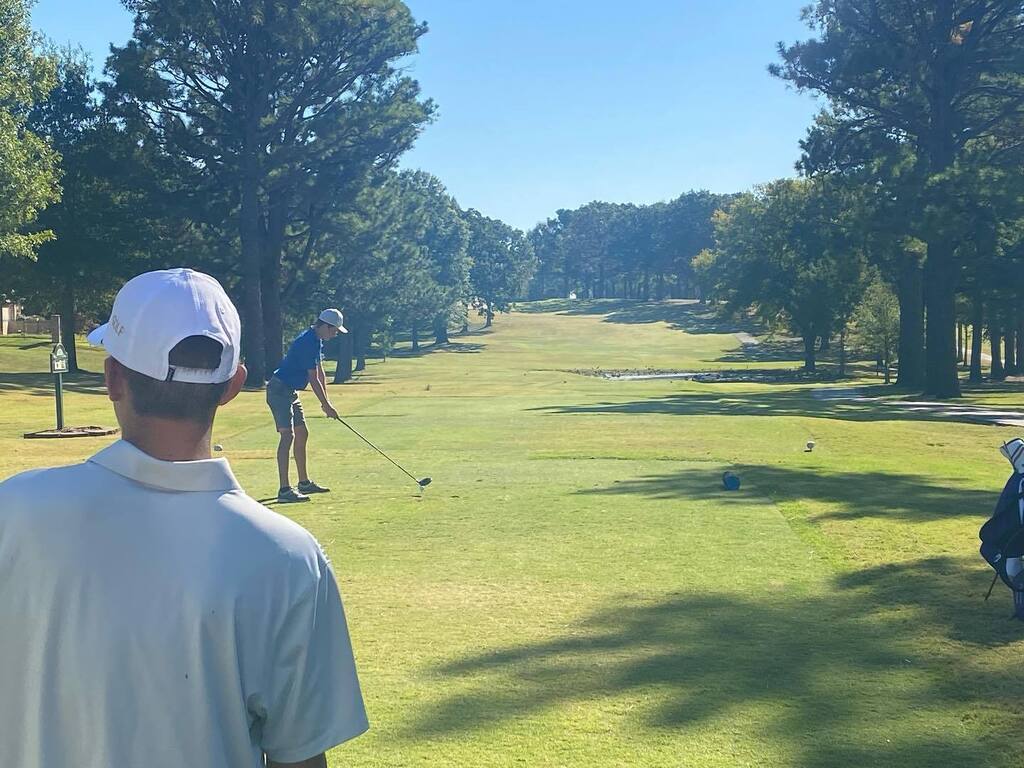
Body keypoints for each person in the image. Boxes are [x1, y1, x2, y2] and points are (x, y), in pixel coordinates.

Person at [0, 269, 368, 767]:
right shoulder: (288, 558)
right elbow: (299, 756)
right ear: (232, 385)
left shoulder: (13, 509)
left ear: (112, 378)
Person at [267, 310, 347, 503]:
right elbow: (312, 378)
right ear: (325, 326)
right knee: (288, 436)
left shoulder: (316, 340)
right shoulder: (307, 342)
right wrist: (325, 405)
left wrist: (327, 403)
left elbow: (320, 374)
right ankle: (284, 490)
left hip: (291, 392)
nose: (335, 334)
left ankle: (303, 483)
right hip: (279, 391)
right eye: (334, 331)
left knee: (302, 433)